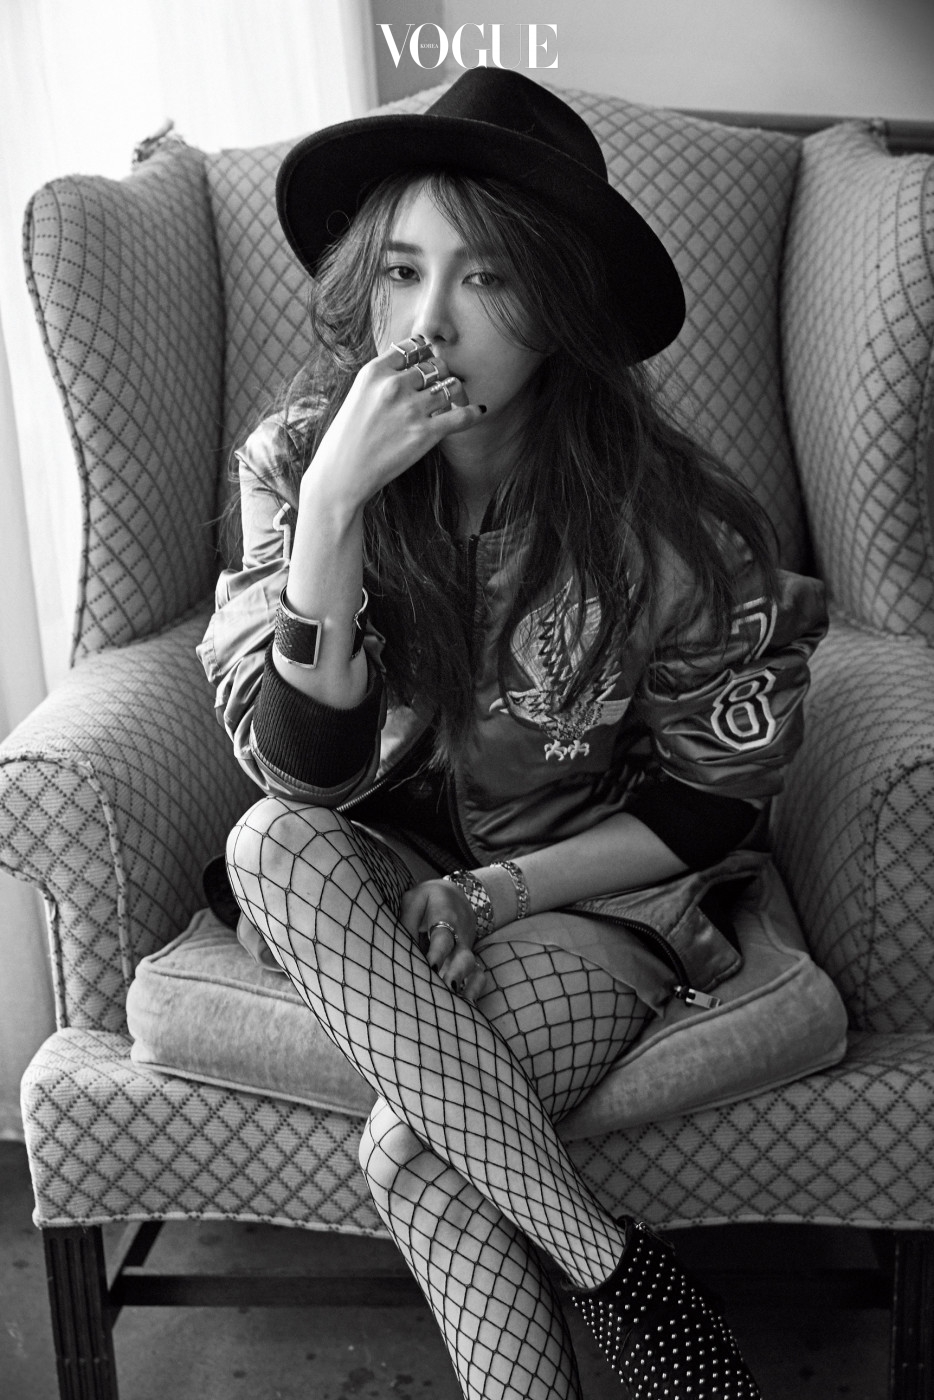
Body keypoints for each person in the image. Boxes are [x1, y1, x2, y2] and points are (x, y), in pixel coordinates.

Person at [200, 68, 827, 1400]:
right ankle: (618, 1270)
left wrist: (495, 891)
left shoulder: (673, 525)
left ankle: (607, 1298)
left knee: (417, 1156)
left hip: (583, 891)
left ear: (559, 303)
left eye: (484, 278)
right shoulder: (299, 463)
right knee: (265, 842)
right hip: (367, 881)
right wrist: (332, 513)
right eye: (400, 272)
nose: (428, 325)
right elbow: (301, 771)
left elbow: (712, 800)